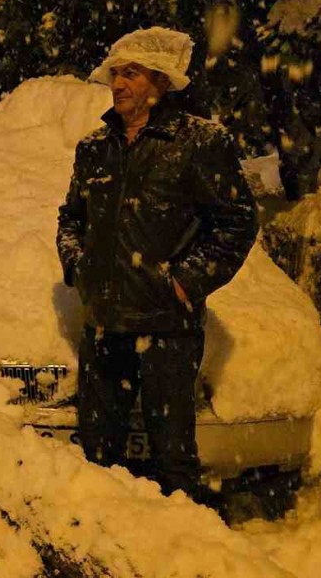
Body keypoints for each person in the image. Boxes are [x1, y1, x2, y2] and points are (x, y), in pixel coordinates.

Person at [56, 27, 258, 498]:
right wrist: (78, 266)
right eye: (115, 74)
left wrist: (184, 283)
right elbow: (71, 218)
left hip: (167, 330)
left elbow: (236, 225)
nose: (119, 84)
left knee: (173, 465)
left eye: (132, 74)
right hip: (105, 327)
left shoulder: (201, 143)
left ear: (161, 82)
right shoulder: (94, 148)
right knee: (98, 463)